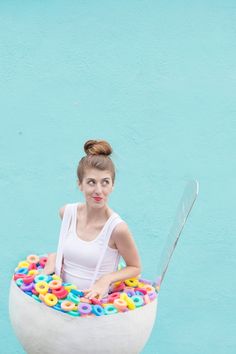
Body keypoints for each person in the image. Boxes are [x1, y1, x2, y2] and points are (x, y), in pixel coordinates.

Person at [42, 139, 142, 300]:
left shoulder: (117, 229)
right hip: (61, 304)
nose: (98, 190)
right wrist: (55, 259)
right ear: (80, 184)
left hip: (95, 310)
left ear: (112, 186)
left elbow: (135, 267)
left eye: (105, 183)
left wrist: (106, 279)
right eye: (91, 182)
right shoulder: (67, 213)